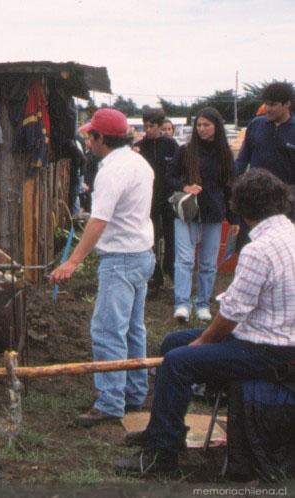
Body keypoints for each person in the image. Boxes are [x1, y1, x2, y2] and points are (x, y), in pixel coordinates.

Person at [115, 169, 295, 475]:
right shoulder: (288, 233)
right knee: (173, 341)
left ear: (240, 207)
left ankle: (162, 454)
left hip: (272, 351)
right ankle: (161, 427)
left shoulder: (258, 249)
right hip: (274, 338)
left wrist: (204, 342)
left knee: (177, 361)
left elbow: (231, 315)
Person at [50, 108, 155, 427]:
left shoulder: (111, 171)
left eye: (90, 135)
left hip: (122, 258)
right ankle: (135, 392)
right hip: (141, 253)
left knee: (108, 329)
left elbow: (98, 221)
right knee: (133, 328)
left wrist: (72, 261)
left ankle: (111, 401)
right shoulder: (138, 161)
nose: (87, 140)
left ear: (101, 138)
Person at [166, 107, 236, 323]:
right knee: (184, 260)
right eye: (199, 125)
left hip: (214, 213)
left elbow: (230, 188)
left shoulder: (225, 153)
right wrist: (184, 186)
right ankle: (182, 304)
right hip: (187, 212)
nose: (202, 129)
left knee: (208, 263)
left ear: (216, 127)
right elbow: (169, 177)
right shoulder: (185, 150)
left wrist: (234, 219)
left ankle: (203, 303)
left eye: (207, 125)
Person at [235, 82, 295, 220]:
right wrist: (234, 183)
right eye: (266, 104)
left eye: (273, 104)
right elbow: (242, 160)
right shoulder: (255, 124)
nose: (268, 108)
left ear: (287, 104)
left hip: (286, 202)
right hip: (255, 200)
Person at [135, 108, 179, 292]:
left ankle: (171, 268)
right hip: (148, 199)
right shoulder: (139, 146)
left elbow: (178, 169)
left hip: (168, 199)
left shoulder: (171, 145)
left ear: (160, 126)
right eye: (145, 126)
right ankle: (154, 275)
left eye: (152, 126)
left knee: (171, 237)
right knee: (149, 237)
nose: (148, 129)